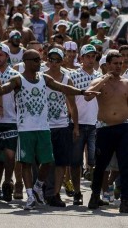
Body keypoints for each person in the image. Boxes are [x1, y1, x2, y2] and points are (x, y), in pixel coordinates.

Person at [0, 49, 97, 210]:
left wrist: (82, 92)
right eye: (35, 60)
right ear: (26, 62)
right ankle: (29, 196)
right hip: (25, 129)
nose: (39, 63)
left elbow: (63, 88)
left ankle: (37, 187)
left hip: (43, 128)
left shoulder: (44, 78)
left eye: (39, 60)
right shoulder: (17, 79)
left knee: (48, 161)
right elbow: (1, 90)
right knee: (27, 163)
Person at [85, 50, 128, 213]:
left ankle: (125, 200)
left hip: (124, 128)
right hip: (105, 128)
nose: (119, 66)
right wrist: (104, 78)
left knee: (126, 165)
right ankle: (95, 195)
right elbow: (88, 96)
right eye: (115, 63)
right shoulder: (99, 81)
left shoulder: (126, 83)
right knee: (100, 165)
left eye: (121, 63)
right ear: (107, 65)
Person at [43, 48, 79, 208]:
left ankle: (55, 193)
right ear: (48, 60)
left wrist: (76, 126)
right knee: (45, 161)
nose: (54, 62)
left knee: (61, 162)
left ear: (62, 61)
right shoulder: (41, 77)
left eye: (58, 59)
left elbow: (72, 105)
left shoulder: (67, 79)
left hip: (62, 124)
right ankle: (44, 188)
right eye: (52, 59)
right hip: (43, 125)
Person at [68, 44, 102, 205]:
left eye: (93, 56)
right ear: (81, 58)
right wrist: (74, 124)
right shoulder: (72, 75)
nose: (90, 59)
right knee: (75, 162)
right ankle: (77, 192)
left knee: (94, 161)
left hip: (95, 123)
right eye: (87, 56)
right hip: (78, 123)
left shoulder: (100, 75)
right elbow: (69, 101)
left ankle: (96, 193)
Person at [0, 43, 20, 203]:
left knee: (10, 155)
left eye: (1, 55)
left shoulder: (14, 75)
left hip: (11, 119)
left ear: (7, 56)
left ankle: (8, 182)